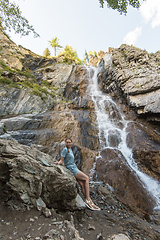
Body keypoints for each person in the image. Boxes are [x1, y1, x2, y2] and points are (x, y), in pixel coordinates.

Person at [54, 138, 101, 211]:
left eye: (69, 142)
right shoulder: (65, 150)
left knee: (82, 184)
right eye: (67, 142)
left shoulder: (70, 150)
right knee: (86, 178)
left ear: (71, 143)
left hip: (74, 167)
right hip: (71, 169)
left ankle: (90, 202)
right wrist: (58, 163)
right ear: (65, 143)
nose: (68, 143)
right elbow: (61, 160)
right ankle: (88, 200)